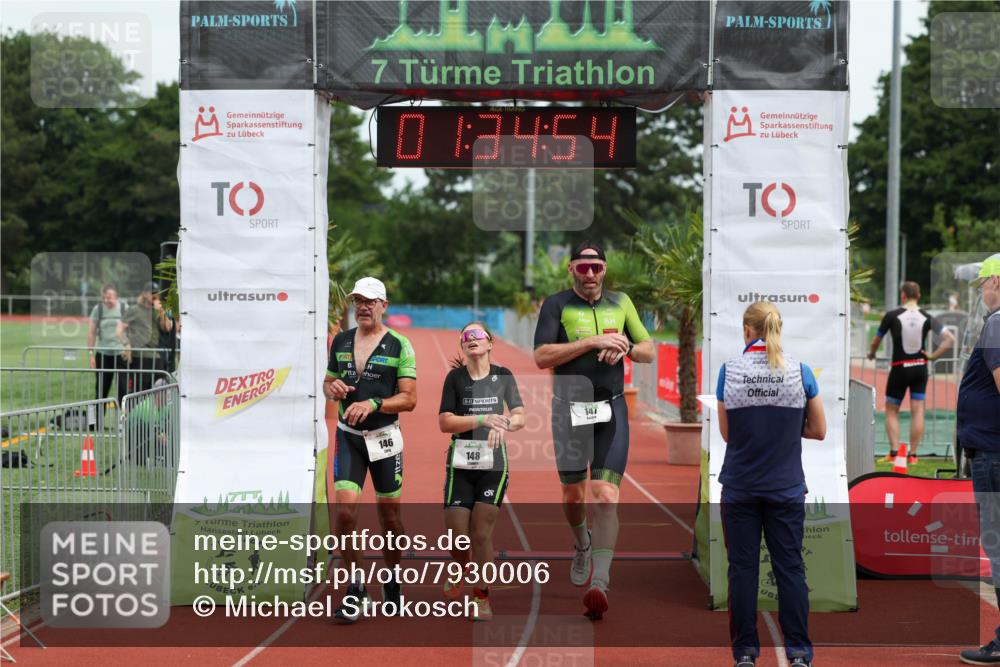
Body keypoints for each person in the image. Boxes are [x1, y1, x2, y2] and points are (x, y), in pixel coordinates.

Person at [533, 240, 655, 620]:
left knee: (605, 493)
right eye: (582, 268)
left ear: (605, 269)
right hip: (568, 411)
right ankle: (582, 543)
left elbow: (649, 349)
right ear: (571, 270)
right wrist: (591, 341)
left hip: (611, 407)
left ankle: (600, 582)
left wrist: (624, 347)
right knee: (573, 496)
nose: (589, 274)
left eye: (596, 268)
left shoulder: (621, 302)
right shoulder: (556, 305)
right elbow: (540, 356)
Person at [715, 301, 826, 667]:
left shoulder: (729, 372)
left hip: (741, 486)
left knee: (743, 571)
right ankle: (799, 654)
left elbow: (728, 435)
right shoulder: (801, 371)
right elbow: (820, 430)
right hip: (786, 487)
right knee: (790, 569)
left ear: (747, 331)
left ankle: (745, 653)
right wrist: (788, 432)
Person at [323, 277, 417, 623]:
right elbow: (327, 382)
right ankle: (356, 587)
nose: (363, 306)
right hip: (349, 436)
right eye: (358, 300)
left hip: (384, 439)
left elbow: (409, 399)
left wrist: (375, 402)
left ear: (384, 306)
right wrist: (332, 387)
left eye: (370, 301)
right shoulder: (342, 340)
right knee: (345, 516)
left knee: (390, 520)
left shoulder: (400, 345)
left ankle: (392, 581)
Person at [438, 321, 525, 621]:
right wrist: (483, 419)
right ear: (463, 346)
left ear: (489, 343)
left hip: (493, 465)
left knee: (481, 533)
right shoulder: (455, 379)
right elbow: (445, 422)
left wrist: (504, 424)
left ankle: (481, 598)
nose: (471, 339)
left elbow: (520, 416)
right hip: (460, 463)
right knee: (455, 538)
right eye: (466, 336)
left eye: (478, 335)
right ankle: (463, 566)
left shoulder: (503, 376)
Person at [957, 255, 1000, 665]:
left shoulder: (998, 321)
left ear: (997, 282)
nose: (981, 293)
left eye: (983, 284)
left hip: (992, 451)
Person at [867, 281, 954, 463]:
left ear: (903, 296)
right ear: (919, 296)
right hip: (920, 368)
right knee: (918, 411)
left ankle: (894, 452)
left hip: (899, 367)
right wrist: (932, 356)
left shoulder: (891, 315)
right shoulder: (928, 317)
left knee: (891, 411)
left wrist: (872, 353)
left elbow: (876, 340)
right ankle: (913, 455)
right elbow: (949, 339)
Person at [117, 283, 169, 403]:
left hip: (155, 357)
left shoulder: (157, 311)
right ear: (145, 294)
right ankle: (137, 419)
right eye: (152, 293)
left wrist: (162, 311)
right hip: (139, 357)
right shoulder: (134, 309)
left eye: (157, 294)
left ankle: (155, 420)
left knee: (160, 394)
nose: (155, 296)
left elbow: (166, 328)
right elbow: (119, 330)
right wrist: (126, 344)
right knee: (139, 394)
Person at [88, 283, 126, 409]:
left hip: (121, 355)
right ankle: (96, 424)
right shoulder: (97, 309)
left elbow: (133, 330)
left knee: (123, 389)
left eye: (109, 297)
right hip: (103, 355)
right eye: (104, 297)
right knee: (101, 391)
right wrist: (91, 355)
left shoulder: (124, 308)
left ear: (116, 296)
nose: (106, 300)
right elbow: (92, 332)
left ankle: (126, 423)